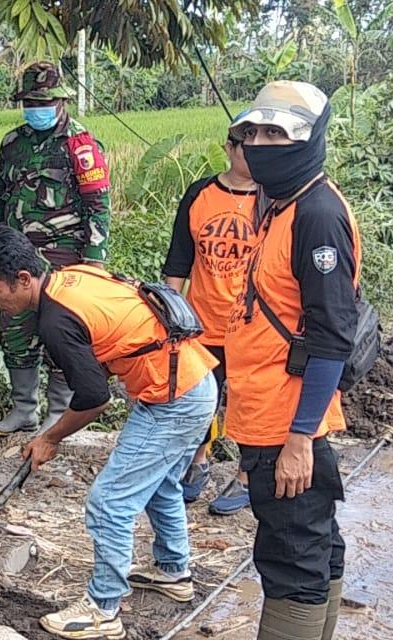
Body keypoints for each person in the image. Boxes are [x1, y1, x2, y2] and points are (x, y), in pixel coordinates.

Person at [192, 82, 362, 640]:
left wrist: (296, 436)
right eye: (252, 134)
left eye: (277, 135)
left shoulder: (315, 214)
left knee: (290, 546)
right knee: (316, 538)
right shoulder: (280, 204)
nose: (260, 145)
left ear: (309, 140)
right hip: (270, 410)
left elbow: (330, 336)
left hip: (288, 418)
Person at [0, 226, 217, 640]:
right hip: (191, 381)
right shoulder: (71, 278)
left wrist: (50, 438)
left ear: (24, 280)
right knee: (161, 486)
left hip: (176, 397)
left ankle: (104, 609)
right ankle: (174, 571)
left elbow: (94, 398)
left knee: (110, 501)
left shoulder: (55, 320)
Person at [0, 60, 111, 437]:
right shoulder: (13, 144)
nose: (35, 109)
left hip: (64, 256)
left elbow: (98, 205)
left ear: (60, 101)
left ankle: (58, 412)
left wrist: (94, 262)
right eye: (29, 102)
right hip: (16, 252)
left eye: (42, 102)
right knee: (15, 328)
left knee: (60, 331)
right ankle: (24, 409)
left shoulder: (80, 145)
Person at [161, 117, 264, 514]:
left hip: (253, 327)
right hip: (203, 322)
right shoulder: (201, 194)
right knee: (202, 399)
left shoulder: (275, 200)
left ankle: (246, 476)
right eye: (245, 147)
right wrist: (172, 314)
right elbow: (179, 260)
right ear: (229, 147)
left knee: (248, 403)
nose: (253, 157)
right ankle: (198, 462)